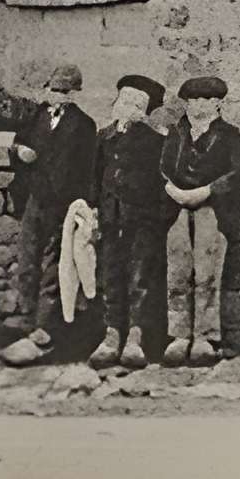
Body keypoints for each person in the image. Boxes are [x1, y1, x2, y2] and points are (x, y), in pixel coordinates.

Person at [0, 61, 98, 367]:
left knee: (56, 266)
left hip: (64, 204)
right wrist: (19, 151)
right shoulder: (36, 116)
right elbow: (15, 144)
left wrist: (84, 206)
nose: (59, 96)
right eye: (55, 90)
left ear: (75, 94)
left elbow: (89, 168)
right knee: (28, 260)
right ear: (47, 90)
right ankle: (27, 320)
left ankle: (46, 329)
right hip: (35, 200)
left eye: (66, 92)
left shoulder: (83, 125)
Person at [159, 74, 240, 365]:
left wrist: (207, 191)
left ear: (219, 104)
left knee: (208, 272)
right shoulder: (176, 133)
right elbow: (161, 167)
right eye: (195, 100)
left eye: (208, 100)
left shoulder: (229, 135)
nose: (201, 106)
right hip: (177, 209)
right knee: (178, 271)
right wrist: (174, 191)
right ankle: (179, 334)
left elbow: (237, 173)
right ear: (186, 103)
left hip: (212, 209)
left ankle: (204, 337)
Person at [89, 72, 168, 372]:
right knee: (110, 274)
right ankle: (111, 335)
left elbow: (161, 183)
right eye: (125, 100)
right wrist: (95, 209)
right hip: (110, 218)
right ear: (116, 101)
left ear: (145, 110)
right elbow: (94, 178)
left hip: (142, 221)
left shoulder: (155, 140)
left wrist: (158, 217)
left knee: (140, 277)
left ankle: (136, 336)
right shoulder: (104, 137)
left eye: (137, 103)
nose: (129, 107)